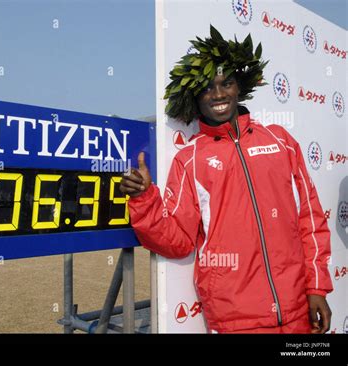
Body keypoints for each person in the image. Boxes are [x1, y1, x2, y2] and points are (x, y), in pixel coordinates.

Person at [120, 25, 333, 334]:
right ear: (195, 96)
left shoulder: (281, 140)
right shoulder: (190, 160)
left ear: (239, 87)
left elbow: (310, 219)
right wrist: (143, 199)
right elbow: (177, 240)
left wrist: (317, 288)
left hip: (299, 310)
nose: (218, 94)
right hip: (235, 318)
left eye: (227, 83)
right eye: (207, 87)